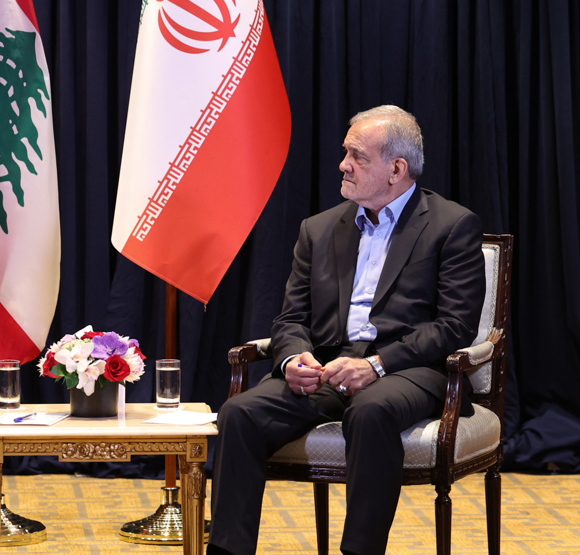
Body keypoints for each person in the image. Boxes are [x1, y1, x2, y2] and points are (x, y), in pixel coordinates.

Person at [208, 105, 485, 555]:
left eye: (357, 155)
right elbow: (290, 318)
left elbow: (455, 325)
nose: (343, 164)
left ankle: (360, 550)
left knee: (370, 410)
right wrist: (292, 357)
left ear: (396, 168)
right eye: (345, 152)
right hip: (325, 370)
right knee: (240, 413)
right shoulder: (319, 230)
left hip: (408, 370)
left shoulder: (451, 225)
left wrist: (375, 365)